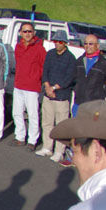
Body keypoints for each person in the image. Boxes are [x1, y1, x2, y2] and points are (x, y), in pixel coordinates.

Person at [36, 33, 76, 162]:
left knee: (61, 125)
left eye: (60, 41)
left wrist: (54, 88)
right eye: (55, 41)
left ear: (65, 43)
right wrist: (48, 87)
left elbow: (69, 78)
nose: (57, 43)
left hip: (62, 96)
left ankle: (59, 151)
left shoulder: (70, 58)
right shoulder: (50, 54)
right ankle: (47, 147)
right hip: (48, 94)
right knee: (47, 122)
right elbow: (45, 72)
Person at [12, 22, 45, 148]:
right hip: (19, 85)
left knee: (32, 114)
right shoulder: (18, 47)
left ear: (34, 33)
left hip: (32, 87)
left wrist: (37, 78)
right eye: (25, 31)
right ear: (20, 33)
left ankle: (32, 140)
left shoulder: (39, 48)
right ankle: (20, 137)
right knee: (17, 112)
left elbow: (44, 66)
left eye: (30, 31)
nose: (27, 34)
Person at [73, 34, 106, 103]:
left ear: (97, 46)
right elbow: (72, 79)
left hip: (95, 104)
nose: (88, 46)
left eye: (91, 44)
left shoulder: (104, 63)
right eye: (85, 43)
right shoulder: (79, 61)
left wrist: (103, 93)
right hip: (78, 103)